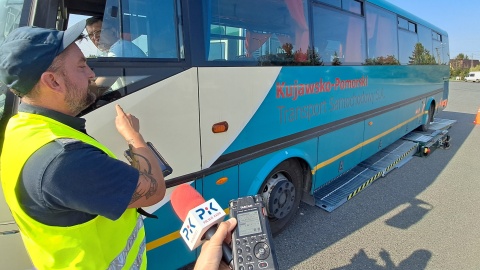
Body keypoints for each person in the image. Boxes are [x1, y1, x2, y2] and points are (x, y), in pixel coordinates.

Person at [0, 21, 165, 269]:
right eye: (81, 67)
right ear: (53, 82)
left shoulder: (19, 129)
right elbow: (154, 191)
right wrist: (133, 137)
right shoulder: (64, 159)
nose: (91, 74)